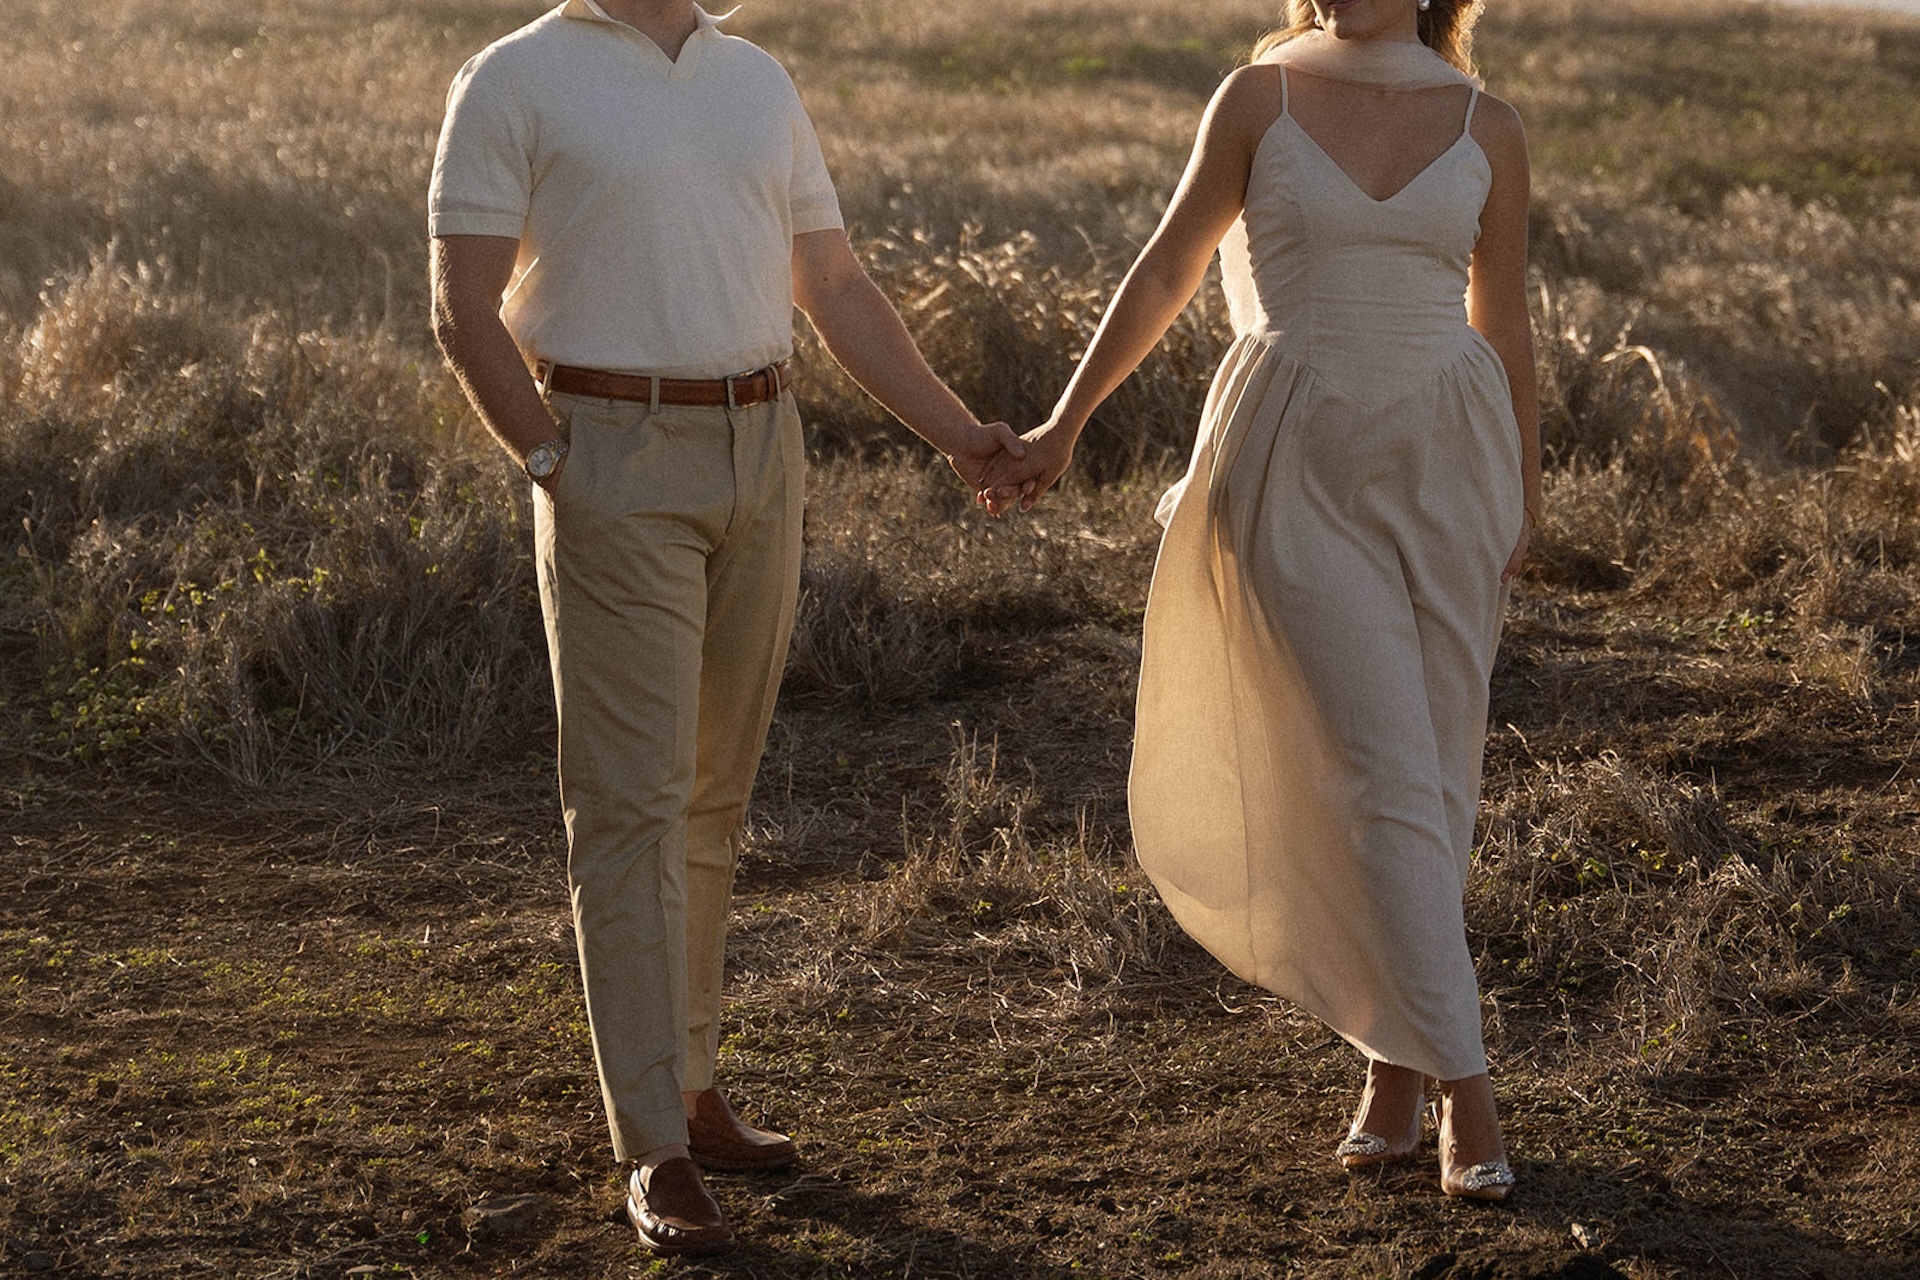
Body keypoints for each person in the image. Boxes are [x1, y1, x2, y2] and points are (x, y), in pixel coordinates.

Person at [427, 0, 1026, 1256]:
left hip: (767, 445)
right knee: (630, 800)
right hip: (609, 449)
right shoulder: (514, 76)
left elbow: (840, 286)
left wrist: (962, 433)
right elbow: (462, 306)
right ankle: (650, 1139)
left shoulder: (755, 78)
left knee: (711, 790)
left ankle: (695, 1086)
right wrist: (552, 465)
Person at [981, 0, 1540, 1202]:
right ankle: (1468, 1086)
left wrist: (1522, 495)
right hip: (1296, 458)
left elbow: (1507, 323)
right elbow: (1171, 264)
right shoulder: (1258, 97)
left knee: (1439, 775)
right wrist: (1063, 427)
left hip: (1450, 462)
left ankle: (1392, 1064)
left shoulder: (1489, 125)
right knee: (1385, 767)